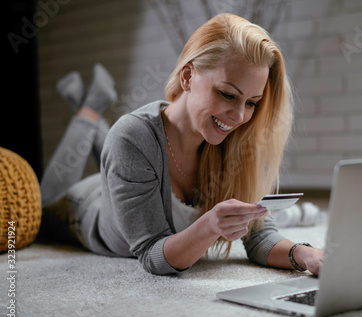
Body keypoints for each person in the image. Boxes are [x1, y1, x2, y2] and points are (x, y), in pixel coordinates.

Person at [39, 13, 323, 276]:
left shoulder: (238, 140)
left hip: (132, 167)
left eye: (251, 103)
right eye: (227, 94)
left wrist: (306, 255)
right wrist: (210, 226)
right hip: (84, 208)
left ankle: (86, 108)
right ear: (187, 77)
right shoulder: (132, 137)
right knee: (40, 207)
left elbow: (259, 235)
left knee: (126, 146)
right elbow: (153, 254)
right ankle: (88, 111)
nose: (239, 117)